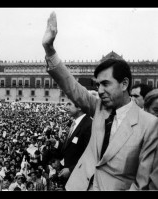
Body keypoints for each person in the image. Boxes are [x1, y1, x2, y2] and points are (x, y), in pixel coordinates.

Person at [42, 11, 158, 190]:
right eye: (98, 85)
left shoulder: (149, 125)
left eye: (105, 84)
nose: (100, 91)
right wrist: (49, 49)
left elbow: (142, 183)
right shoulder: (99, 109)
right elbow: (72, 87)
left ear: (124, 83)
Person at [56, 100, 92, 187]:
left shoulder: (88, 125)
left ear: (79, 107)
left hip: (79, 177)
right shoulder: (75, 122)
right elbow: (70, 147)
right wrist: (56, 144)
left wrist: (71, 170)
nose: (66, 107)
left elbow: (90, 155)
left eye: (69, 104)